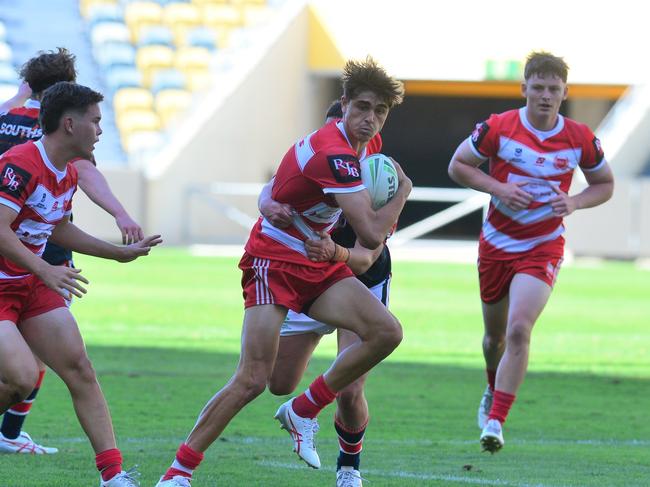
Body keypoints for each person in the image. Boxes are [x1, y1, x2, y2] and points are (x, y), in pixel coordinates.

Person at [154, 57, 410, 486]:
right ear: (343, 104)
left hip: (321, 262)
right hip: (274, 261)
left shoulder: (364, 148)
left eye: (380, 111)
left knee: (387, 332)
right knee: (255, 379)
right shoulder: (335, 154)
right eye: (363, 107)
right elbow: (368, 229)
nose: (370, 119)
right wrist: (404, 190)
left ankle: (305, 411)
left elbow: (358, 244)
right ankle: (177, 474)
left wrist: (332, 250)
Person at [448, 51, 614, 453]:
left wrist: (574, 202)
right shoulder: (498, 128)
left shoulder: (579, 138)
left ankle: (496, 422)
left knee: (520, 328)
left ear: (564, 92)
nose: (545, 95)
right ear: (524, 89)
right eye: (537, 87)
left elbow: (604, 184)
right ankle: (491, 387)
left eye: (553, 89)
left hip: (543, 245)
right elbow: (458, 166)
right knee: (494, 338)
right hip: (496, 245)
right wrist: (499, 188)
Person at [0, 81, 162, 485]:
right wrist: (44, 270)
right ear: (69, 124)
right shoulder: (20, 163)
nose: (101, 131)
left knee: (80, 369)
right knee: (20, 379)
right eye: (95, 121)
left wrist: (118, 253)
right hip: (8, 282)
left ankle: (113, 476)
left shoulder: (67, 173)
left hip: (29, 283)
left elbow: (56, 228)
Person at [259, 100, 393, 487]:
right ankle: (302, 403)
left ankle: (349, 468)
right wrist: (266, 201)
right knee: (278, 382)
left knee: (350, 389)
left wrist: (336, 251)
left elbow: (367, 257)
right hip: (308, 276)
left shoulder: (378, 178)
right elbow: (273, 189)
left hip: (358, 279)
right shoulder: (314, 156)